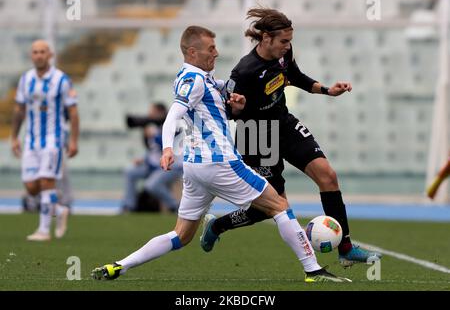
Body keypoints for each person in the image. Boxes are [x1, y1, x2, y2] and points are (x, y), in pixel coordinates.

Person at [91, 25, 350, 283]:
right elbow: (173, 115)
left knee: (181, 235)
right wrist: (168, 147)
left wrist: (236, 106)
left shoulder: (194, 77)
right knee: (279, 206)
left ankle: (119, 266)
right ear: (193, 52)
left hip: (195, 168)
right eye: (211, 48)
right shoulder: (194, 81)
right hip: (220, 162)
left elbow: (217, 105)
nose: (216, 53)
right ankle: (313, 271)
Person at [199, 8, 381, 267]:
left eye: (289, 41)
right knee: (271, 207)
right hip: (257, 136)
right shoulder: (244, 71)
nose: (288, 46)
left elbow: (294, 76)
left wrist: (328, 90)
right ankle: (218, 225)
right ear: (265, 38)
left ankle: (346, 247)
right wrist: (235, 107)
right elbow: (227, 110)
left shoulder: (284, 56)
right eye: (283, 41)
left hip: (284, 123)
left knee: (327, 175)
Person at [11, 40, 79, 241]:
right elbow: (19, 109)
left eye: (42, 52)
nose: (39, 55)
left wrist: (74, 140)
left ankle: (43, 230)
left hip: (54, 139)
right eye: (35, 52)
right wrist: (14, 137)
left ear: (50, 55)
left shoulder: (61, 79)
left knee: (47, 181)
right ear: (31, 55)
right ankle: (59, 209)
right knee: (31, 187)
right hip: (31, 140)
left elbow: (73, 112)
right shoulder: (25, 79)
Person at [122, 103, 182, 213]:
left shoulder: (173, 124)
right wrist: (143, 158)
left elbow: (167, 145)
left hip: (171, 166)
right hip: (153, 165)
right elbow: (153, 149)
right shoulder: (151, 126)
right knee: (130, 171)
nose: (149, 115)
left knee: (151, 185)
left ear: (161, 113)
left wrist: (154, 135)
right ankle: (129, 206)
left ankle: (174, 206)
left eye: (153, 112)